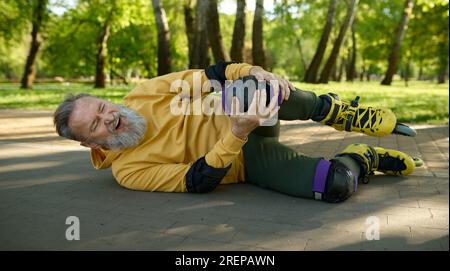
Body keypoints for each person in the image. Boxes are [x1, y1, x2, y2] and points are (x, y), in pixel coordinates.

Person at [53, 62, 420, 203]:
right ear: (89, 142)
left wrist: (256, 71)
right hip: (247, 159)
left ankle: (340, 112)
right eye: (96, 123)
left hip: (245, 113)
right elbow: (199, 179)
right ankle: (362, 156)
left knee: (251, 87)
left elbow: (214, 75)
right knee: (337, 185)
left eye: (103, 107)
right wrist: (237, 134)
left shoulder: (142, 93)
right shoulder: (128, 172)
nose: (109, 117)